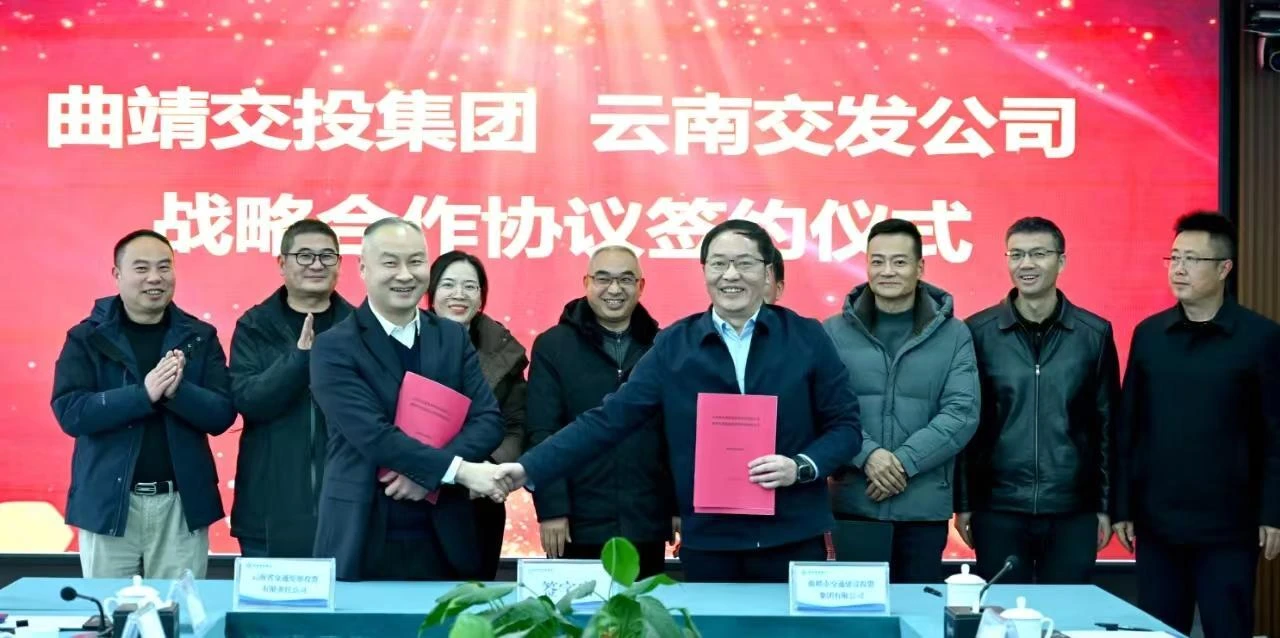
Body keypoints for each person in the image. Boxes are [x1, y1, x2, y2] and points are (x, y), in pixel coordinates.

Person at [489, 219, 864, 584]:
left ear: (767, 272)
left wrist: (800, 466)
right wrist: (526, 469)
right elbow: (607, 420)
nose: (730, 275)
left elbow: (845, 428)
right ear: (705, 272)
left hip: (793, 535)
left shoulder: (806, 337)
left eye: (744, 263)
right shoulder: (675, 345)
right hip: (711, 543)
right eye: (719, 263)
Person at [309, 218, 507, 581]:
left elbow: (488, 420)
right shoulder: (334, 346)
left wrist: (429, 475)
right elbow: (374, 436)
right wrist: (457, 470)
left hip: (447, 532)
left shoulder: (451, 337)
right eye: (390, 262)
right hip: (363, 530)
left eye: (415, 262)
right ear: (363, 268)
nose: (405, 274)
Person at [1113, 211, 1280, 636]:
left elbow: (1275, 435)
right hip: (1159, 524)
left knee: (1228, 628)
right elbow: (1129, 427)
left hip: (1230, 526)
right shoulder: (1150, 334)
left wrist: (1272, 513)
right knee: (1158, 630)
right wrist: (1123, 508)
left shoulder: (1260, 338)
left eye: (1192, 259)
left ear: (1224, 268)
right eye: (1174, 258)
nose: (1179, 269)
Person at [51, 229, 236, 578]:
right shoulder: (87, 337)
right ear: (117, 274)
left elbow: (222, 414)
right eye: (141, 268)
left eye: (164, 267)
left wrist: (177, 393)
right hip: (109, 506)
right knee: (112, 609)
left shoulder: (199, 336)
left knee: (177, 609)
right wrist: (142, 395)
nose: (155, 277)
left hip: (181, 507)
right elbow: (71, 412)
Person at [956, 217, 1121, 584]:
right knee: (998, 611)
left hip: (1072, 508)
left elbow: (1108, 425)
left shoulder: (1093, 334)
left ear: (1061, 261)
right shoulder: (977, 332)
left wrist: (1106, 506)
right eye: (1016, 254)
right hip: (998, 506)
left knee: (1066, 610)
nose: (1026, 264)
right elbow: (966, 424)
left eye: (1038, 254)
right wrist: (964, 504)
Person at [822, 219, 979, 583]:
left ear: (920, 267)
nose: (887, 271)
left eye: (899, 261)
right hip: (855, 502)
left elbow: (961, 413)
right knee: (855, 610)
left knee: (918, 609)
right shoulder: (832, 332)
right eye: (877, 261)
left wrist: (903, 463)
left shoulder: (954, 334)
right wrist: (868, 456)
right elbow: (824, 407)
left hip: (922, 507)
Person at [526, 245, 675, 579]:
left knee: (642, 610)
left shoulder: (663, 346)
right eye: (603, 279)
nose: (614, 289)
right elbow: (541, 431)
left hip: (646, 520)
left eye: (626, 279)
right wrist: (552, 508)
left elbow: (676, 432)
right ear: (587, 283)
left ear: (641, 286)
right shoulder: (553, 345)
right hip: (577, 522)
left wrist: (677, 507)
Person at [228, 220, 354, 558]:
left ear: (340, 264)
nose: (317, 264)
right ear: (282, 263)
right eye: (305, 255)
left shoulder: (359, 327)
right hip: (267, 510)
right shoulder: (255, 325)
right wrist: (299, 359)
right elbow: (248, 400)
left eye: (327, 256)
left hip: (345, 510)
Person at [427, 250, 528, 581]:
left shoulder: (505, 352)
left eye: (470, 286)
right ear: (430, 293)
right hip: (417, 493)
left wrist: (489, 472)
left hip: (479, 497)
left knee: (476, 595)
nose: (459, 294)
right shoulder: (405, 343)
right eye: (448, 285)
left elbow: (516, 426)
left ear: (482, 297)